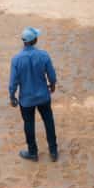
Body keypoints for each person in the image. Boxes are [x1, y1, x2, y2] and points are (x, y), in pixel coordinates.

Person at [8, 26, 58, 162]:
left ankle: (33, 152)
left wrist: (12, 97)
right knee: (48, 121)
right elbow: (52, 75)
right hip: (43, 96)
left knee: (29, 124)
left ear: (23, 42)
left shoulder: (16, 59)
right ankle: (53, 151)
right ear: (35, 40)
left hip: (26, 100)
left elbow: (13, 82)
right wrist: (52, 86)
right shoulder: (43, 55)